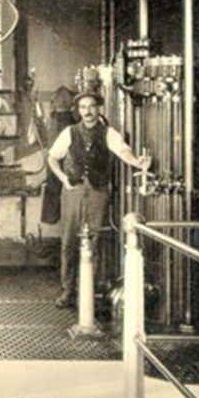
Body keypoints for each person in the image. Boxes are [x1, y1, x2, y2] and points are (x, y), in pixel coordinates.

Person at [47, 92, 151, 308]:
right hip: (73, 191)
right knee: (69, 241)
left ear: (98, 109)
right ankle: (67, 290)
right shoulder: (69, 132)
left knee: (95, 241)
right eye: (83, 107)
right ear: (78, 110)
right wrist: (64, 179)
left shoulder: (109, 133)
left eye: (92, 106)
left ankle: (88, 291)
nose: (88, 111)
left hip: (97, 192)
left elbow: (123, 152)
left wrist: (138, 163)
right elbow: (52, 157)